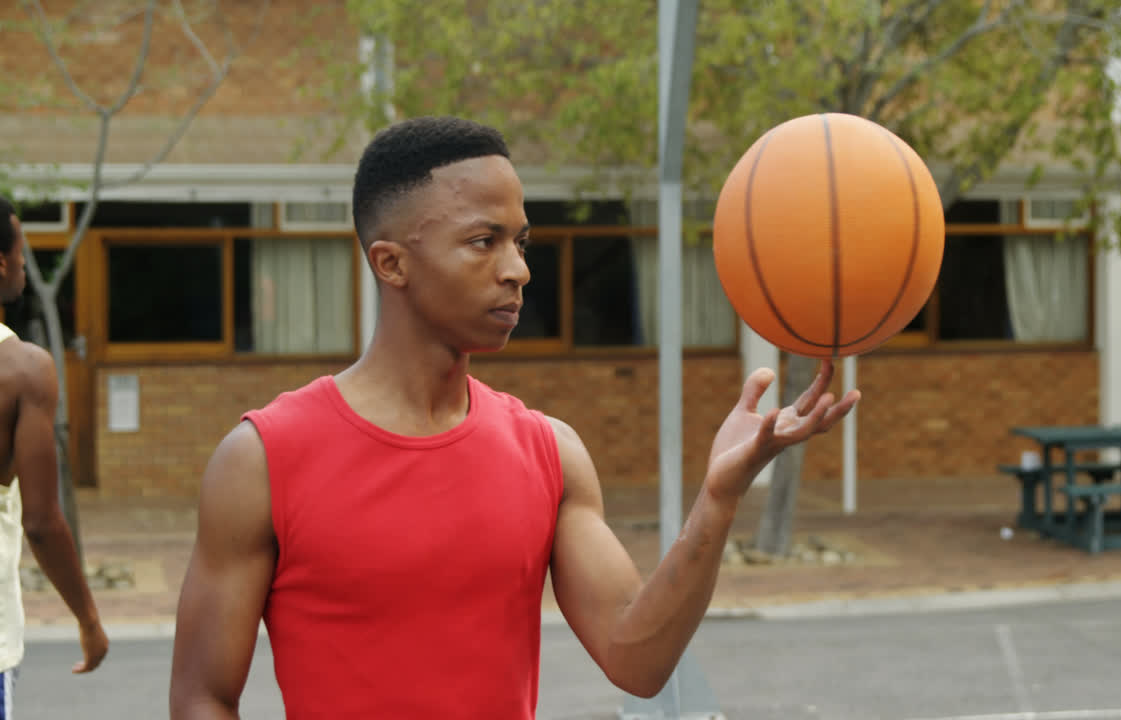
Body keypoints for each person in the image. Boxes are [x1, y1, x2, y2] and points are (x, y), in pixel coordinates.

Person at [168, 116, 859, 719]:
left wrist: (718, 498)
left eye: (520, 241)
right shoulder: (263, 458)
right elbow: (202, 697)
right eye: (483, 241)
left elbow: (637, 660)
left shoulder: (548, 451)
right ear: (391, 264)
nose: (518, 269)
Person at [0, 195, 110, 713]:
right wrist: (88, 620)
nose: (25, 261)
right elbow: (42, 521)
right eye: (21, 247)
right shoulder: (20, 369)